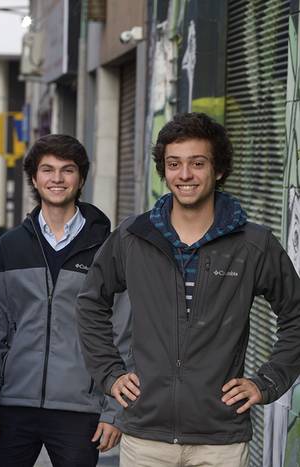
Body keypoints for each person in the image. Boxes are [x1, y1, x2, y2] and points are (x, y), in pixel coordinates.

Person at [77, 112, 300, 467]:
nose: (185, 175)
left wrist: (267, 382)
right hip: (146, 435)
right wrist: (109, 373)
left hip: (220, 439)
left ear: (219, 169)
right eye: (174, 164)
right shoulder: (133, 237)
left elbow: (296, 315)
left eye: (197, 163)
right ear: (163, 171)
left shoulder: (253, 244)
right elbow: (90, 304)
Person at [0, 134, 128, 467]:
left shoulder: (110, 250)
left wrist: (114, 411)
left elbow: (124, 335)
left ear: (81, 178)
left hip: (80, 408)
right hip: (13, 405)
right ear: (34, 178)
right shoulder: (8, 248)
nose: (57, 179)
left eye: (67, 170)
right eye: (48, 170)